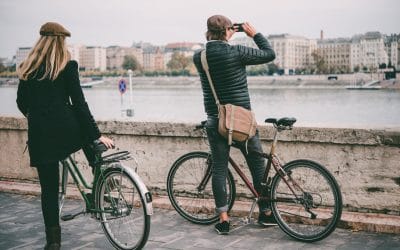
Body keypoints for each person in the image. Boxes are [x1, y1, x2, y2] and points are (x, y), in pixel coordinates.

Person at [16, 22, 114, 250]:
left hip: (41, 136)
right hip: (68, 131)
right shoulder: (68, 66)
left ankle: (53, 242)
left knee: (48, 191)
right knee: (88, 141)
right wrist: (96, 135)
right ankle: (103, 187)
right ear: (60, 42)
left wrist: (39, 118)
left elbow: (22, 104)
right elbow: (79, 104)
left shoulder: (26, 68)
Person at [193, 15, 276, 235]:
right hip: (243, 121)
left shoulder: (198, 57)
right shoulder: (236, 51)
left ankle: (224, 219)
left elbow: (215, 54)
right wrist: (254, 34)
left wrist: (226, 34)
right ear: (228, 31)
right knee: (257, 166)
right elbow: (269, 54)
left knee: (219, 170)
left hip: (216, 120)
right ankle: (266, 213)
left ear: (208, 32)